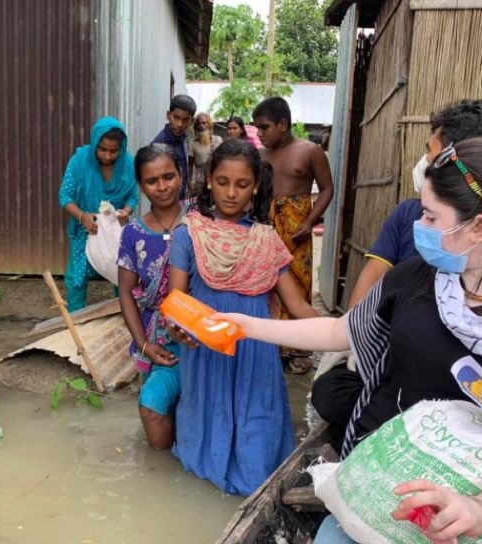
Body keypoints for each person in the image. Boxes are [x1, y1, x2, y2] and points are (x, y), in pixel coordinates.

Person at [216, 137, 482, 542]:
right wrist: (245, 326)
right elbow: (343, 331)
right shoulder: (414, 279)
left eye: (430, 216)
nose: (417, 227)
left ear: (479, 227)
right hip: (377, 487)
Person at [312, 99, 482, 444]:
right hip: (402, 367)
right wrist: (355, 334)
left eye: (430, 151)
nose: (422, 224)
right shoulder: (411, 257)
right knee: (333, 390)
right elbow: (367, 287)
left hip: (465, 401)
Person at [167, 139, 319, 496]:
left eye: (242, 184)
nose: (231, 193)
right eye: (222, 182)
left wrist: (349, 334)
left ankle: (255, 491)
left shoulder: (267, 241)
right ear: (208, 180)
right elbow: (175, 301)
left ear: (256, 186)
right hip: (206, 350)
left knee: (257, 432)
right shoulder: (189, 233)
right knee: (206, 428)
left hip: (256, 353)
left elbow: (297, 306)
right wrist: (177, 329)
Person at [117, 144, 186, 450]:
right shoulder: (133, 233)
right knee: (154, 407)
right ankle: (160, 469)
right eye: (152, 181)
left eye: (168, 176)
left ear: (181, 175)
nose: (162, 187)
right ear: (141, 186)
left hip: (197, 336)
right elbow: (126, 292)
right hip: (154, 339)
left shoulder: (198, 219)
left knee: (193, 413)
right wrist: (145, 344)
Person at [253, 97, 333, 313]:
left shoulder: (309, 151)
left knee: (297, 285)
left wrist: (309, 222)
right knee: (264, 285)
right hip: (265, 230)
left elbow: (327, 189)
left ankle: (297, 343)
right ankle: (269, 344)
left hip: (296, 232)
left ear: (282, 125)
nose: (259, 133)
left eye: (264, 127)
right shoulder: (259, 156)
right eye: (256, 128)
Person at [59, 117, 138, 311]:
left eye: (114, 151)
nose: (107, 156)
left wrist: (125, 212)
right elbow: (65, 196)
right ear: (94, 143)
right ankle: (76, 321)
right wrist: (82, 216)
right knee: (77, 277)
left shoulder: (127, 163)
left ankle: (124, 317)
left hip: (115, 231)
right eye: (102, 149)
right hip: (86, 229)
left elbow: (133, 196)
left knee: (122, 275)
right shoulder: (80, 161)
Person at [152, 94, 196, 200]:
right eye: (176, 117)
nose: (179, 124)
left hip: (179, 201)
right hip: (165, 205)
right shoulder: (160, 144)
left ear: (191, 121)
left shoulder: (183, 138)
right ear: (168, 115)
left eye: (185, 120)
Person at [189, 112, 223, 196]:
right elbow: (190, 165)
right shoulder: (193, 144)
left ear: (209, 124)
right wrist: (189, 182)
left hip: (216, 178)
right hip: (200, 182)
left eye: (204, 123)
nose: (201, 126)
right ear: (196, 127)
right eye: (199, 124)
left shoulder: (218, 140)